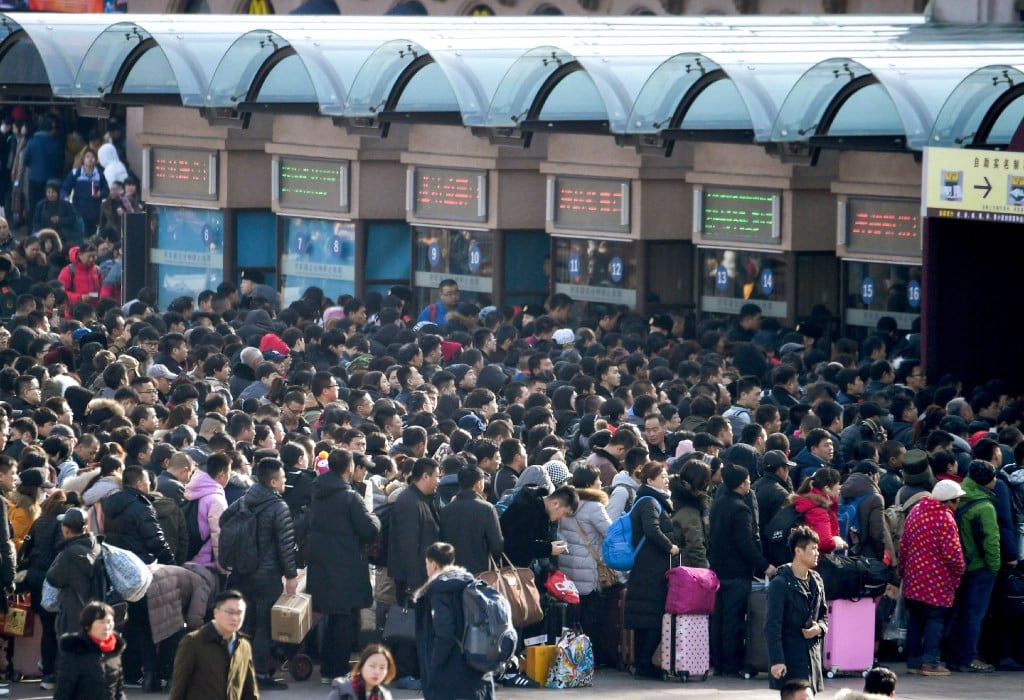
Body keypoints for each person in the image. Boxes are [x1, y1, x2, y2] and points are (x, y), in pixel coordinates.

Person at [306, 448, 381, 683]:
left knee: (332, 616)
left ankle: (329, 668)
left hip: (322, 566)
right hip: (346, 566)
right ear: (349, 468)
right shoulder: (350, 497)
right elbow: (369, 529)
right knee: (345, 620)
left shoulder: (317, 492)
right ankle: (337, 669)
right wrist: (376, 518)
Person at [229, 458, 298, 691]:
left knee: (244, 625)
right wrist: (290, 576)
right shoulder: (278, 507)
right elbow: (285, 545)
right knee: (264, 627)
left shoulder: (243, 501)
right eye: (282, 478)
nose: (285, 480)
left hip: (241, 572)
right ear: (272, 481)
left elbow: (223, 522)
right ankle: (259, 674)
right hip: (267, 577)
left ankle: (241, 671)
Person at [710, 462, 777, 678]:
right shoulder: (741, 509)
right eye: (747, 480)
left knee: (719, 619)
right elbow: (745, 543)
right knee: (734, 620)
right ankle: (732, 664)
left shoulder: (718, 504)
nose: (750, 483)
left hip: (718, 569)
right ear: (741, 484)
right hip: (737, 572)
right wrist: (764, 565)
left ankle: (718, 663)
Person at [899, 479, 966, 676]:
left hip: (913, 577)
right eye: (956, 501)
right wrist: (960, 570)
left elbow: (904, 544)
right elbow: (952, 553)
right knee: (935, 620)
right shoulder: (945, 518)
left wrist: (903, 569)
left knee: (916, 620)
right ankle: (931, 662)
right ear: (949, 501)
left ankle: (913, 662)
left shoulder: (916, 512)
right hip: (937, 580)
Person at [413, 541, 494, 700]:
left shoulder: (439, 592)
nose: (426, 568)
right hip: (478, 667)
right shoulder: (470, 585)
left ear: (434, 564)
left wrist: (433, 666)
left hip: (451, 673)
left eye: (427, 564)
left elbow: (445, 633)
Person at [623, 462, 678, 679]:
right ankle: (644, 664)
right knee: (654, 617)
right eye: (662, 476)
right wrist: (670, 547)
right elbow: (652, 529)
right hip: (651, 568)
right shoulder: (650, 502)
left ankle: (642, 663)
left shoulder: (649, 499)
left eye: (666, 476)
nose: (666, 479)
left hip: (646, 567)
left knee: (644, 618)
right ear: (649, 480)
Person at [949, 459, 1001, 673]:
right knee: (974, 615)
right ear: (987, 480)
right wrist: (994, 566)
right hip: (980, 567)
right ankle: (969, 657)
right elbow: (991, 541)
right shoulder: (984, 506)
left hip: (960, 564)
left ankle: (953, 657)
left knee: (959, 612)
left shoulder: (958, 496)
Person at [765, 525, 828, 692]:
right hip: (791, 659)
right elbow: (772, 625)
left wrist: (819, 628)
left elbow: (824, 615)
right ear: (798, 551)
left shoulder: (817, 581)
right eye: (813, 549)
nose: (817, 553)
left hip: (812, 658)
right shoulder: (780, 584)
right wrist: (777, 660)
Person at [169, 589, 258, 700]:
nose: (235, 618)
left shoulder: (243, 645)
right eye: (229, 612)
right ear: (216, 612)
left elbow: (249, 690)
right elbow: (179, 687)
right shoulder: (193, 642)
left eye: (239, 613)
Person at [387, 457, 441, 606]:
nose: (439, 481)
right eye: (437, 476)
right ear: (425, 476)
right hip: (413, 581)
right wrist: (415, 585)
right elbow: (408, 546)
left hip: (425, 576)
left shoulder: (425, 498)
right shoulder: (409, 502)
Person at [44, 506, 103, 638]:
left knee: (71, 654)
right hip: (94, 611)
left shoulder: (69, 554)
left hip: (73, 614)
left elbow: (53, 578)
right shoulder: (96, 547)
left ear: (65, 530)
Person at [53, 601, 126, 700]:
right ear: (88, 625)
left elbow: (118, 692)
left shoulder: (114, 650)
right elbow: (63, 692)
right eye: (101, 622)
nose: (107, 626)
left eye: (109, 621)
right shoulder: (76, 650)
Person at [439, 465, 503, 576]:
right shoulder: (487, 509)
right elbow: (496, 544)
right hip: (480, 571)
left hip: (452, 571)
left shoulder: (446, 510)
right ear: (478, 484)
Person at [668, 458, 712, 567]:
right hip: (687, 568)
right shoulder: (690, 509)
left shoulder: (673, 497)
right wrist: (705, 572)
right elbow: (695, 545)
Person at [793, 467, 846, 554]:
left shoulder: (807, 500)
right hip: (816, 561)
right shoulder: (818, 510)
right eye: (838, 484)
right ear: (827, 488)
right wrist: (837, 542)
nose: (839, 487)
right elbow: (824, 543)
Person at [327, 643, 396, 700]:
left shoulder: (384, 696)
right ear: (362, 665)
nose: (377, 672)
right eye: (372, 666)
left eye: (382, 668)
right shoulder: (342, 691)